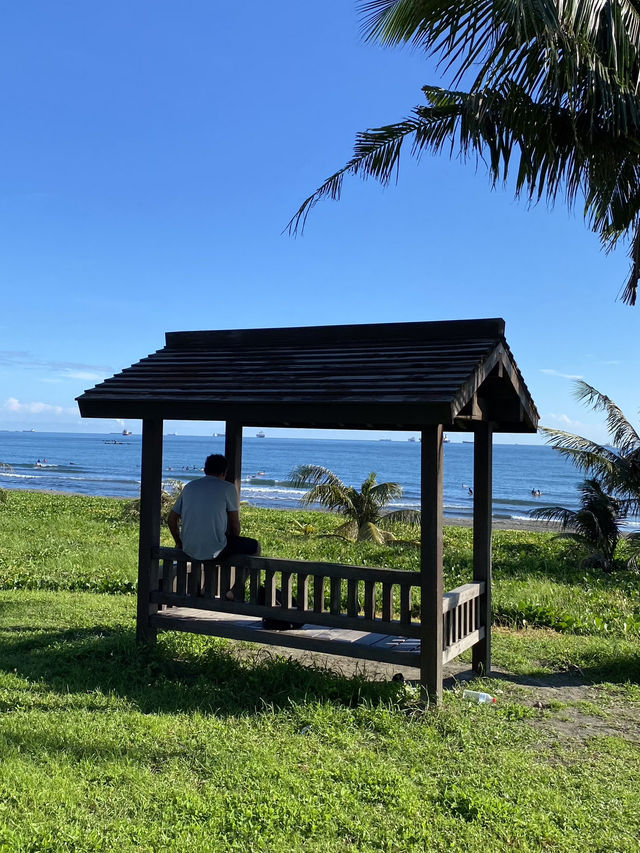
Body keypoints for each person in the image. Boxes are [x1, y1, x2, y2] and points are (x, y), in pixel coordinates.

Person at [167, 453, 260, 598]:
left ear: (205, 470)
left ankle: (207, 588)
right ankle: (234, 591)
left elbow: (171, 519)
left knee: (214, 546)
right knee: (254, 547)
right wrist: (234, 539)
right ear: (224, 472)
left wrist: (179, 541)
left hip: (189, 547)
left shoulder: (190, 487)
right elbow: (235, 524)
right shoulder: (228, 488)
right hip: (215, 548)